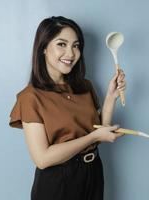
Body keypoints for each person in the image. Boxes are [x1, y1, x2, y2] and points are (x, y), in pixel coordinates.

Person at [9, 16, 126, 200]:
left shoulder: (85, 86)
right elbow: (42, 158)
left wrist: (111, 97)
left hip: (93, 172)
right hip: (59, 181)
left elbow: (100, 131)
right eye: (61, 44)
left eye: (76, 45)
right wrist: (93, 137)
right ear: (44, 48)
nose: (71, 53)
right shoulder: (30, 97)